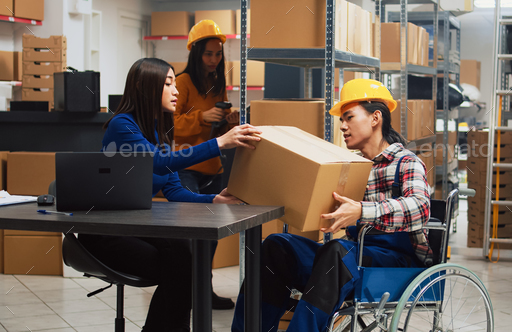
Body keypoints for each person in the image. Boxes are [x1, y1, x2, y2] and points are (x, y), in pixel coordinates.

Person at [231, 78, 432, 332]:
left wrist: (361, 211)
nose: (343, 127)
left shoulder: (406, 162)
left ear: (375, 117)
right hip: (350, 256)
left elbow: (421, 208)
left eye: (349, 118)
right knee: (276, 246)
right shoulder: (349, 165)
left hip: (394, 262)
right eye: (341, 121)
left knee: (337, 251)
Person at [79, 57, 261, 332]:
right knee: (182, 266)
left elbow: (174, 190)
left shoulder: (156, 130)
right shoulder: (122, 126)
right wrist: (219, 142)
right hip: (106, 232)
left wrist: (213, 200)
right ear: (145, 87)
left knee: (184, 256)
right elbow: (159, 162)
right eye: (168, 84)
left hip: (135, 226)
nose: (176, 91)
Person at [173, 20, 238, 309]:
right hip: (186, 166)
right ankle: (186, 290)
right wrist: (201, 117)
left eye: (218, 54)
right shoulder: (182, 83)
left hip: (212, 168)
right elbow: (169, 125)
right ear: (196, 53)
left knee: (210, 238)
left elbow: (217, 135)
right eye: (209, 54)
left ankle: (204, 292)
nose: (214, 60)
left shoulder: (217, 85)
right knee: (190, 234)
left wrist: (227, 123)